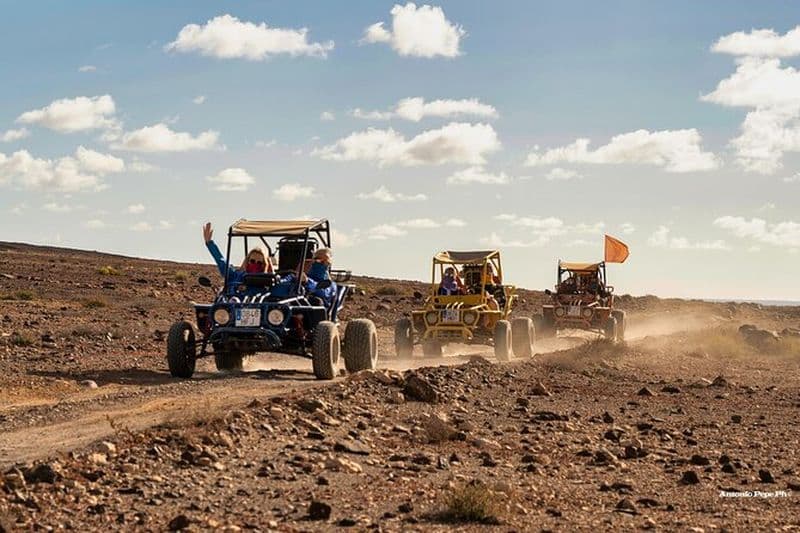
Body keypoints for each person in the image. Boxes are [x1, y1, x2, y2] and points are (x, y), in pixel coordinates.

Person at [203, 222, 270, 295]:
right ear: (247, 261)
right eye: (252, 261)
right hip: (233, 305)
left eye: (259, 263)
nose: (255, 265)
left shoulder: (267, 281)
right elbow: (221, 261)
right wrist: (209, 243)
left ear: (264, 265)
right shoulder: (235, 276)